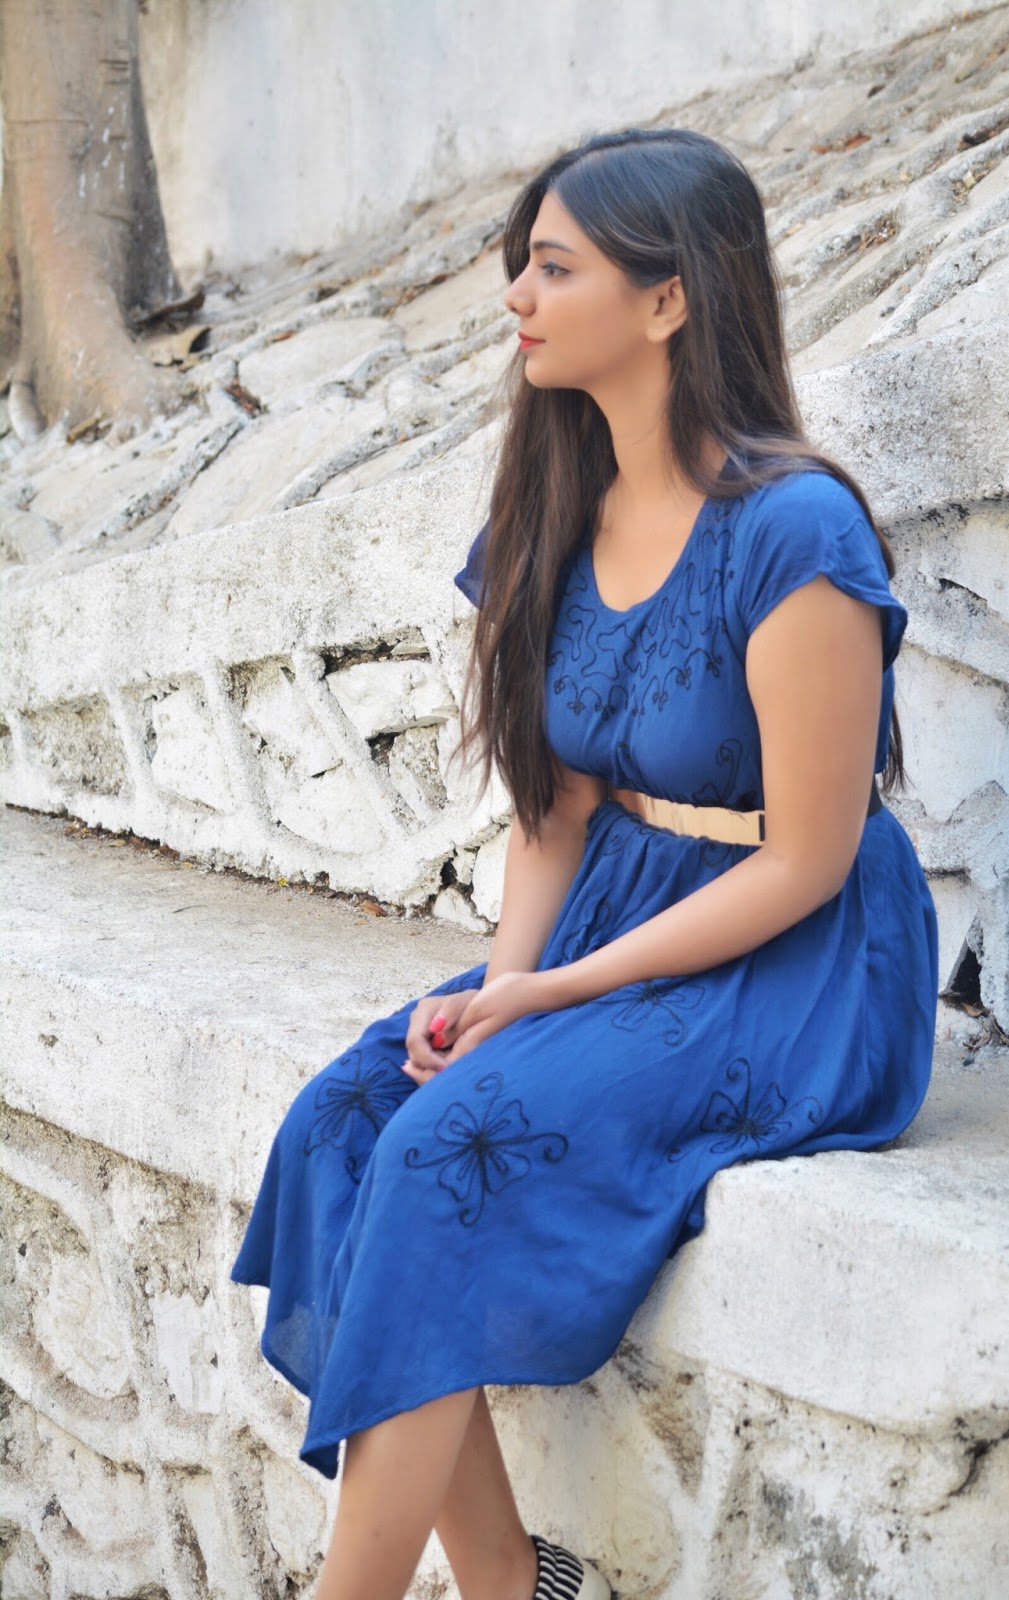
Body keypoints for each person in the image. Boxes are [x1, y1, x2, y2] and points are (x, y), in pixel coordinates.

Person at [230, 126, 938, 1600]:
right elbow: (554, 807)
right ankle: (514, 1583)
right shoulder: (551, 507)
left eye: (553, 268)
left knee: (437, 1152)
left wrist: (549, 997)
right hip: (616, 915)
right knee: (346, 1124)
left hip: (792, 965)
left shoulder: (793, 531)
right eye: (523, 267)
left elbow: (809, 862)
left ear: (668, 298)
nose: (516, 298)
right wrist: (502, 988)